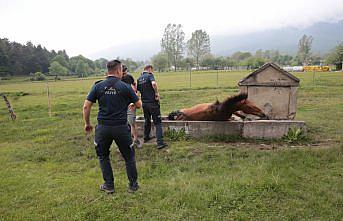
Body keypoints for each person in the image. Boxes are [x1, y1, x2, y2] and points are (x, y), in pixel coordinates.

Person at [83, 59, 142, 194]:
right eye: (122, 70)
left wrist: (87, 124)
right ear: (118, 71)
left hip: (103, 128)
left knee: (103, 156)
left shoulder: (98, 86)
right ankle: (133, 186)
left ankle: (109, 185)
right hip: (121, 127)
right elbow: (139, 105)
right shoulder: (125, 87)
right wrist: (131, 102)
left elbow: (86, 106)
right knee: (129, 157)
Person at [137, 65, 167, 149]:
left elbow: (137, 90)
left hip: (144, 104)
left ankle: (146, 138)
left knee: (147, 120)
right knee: (158, 122)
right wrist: (156, 93)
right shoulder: (150, 75)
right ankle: (160, 143)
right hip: (153, 103)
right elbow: (153, 84)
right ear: (149, 69)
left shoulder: (139, 79)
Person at [121, 65, 142, 148]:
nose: (124, 74)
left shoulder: (129, 77)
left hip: (130, 105)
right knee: (123, 123)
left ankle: (135, 140)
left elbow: (134, 84)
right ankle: (127, 140)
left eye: (125, 72)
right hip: (120, 105)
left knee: (132, 122)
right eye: (123, 72)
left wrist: (135, 95)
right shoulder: (117, 79)